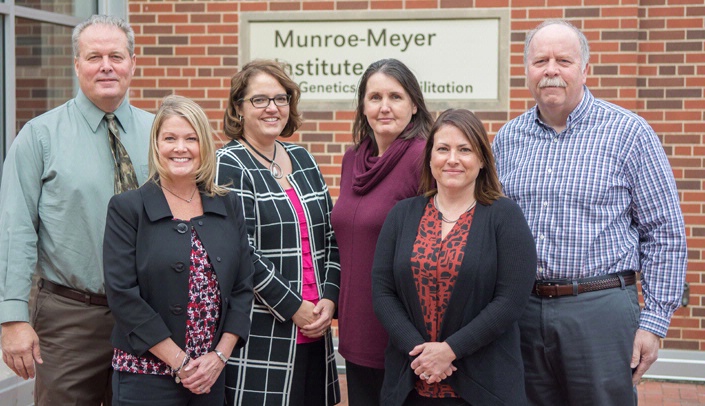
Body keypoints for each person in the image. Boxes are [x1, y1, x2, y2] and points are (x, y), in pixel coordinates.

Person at [492, 19, 688, 405]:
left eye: (563, 60)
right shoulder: (507, 139)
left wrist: (654, 321)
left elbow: (664, 231)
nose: (551, 70)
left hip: (600, 310)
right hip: (524, 311)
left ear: (585, 69)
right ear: (526, 71)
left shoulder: (629, 133)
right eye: (540, 61)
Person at [0, 15, 153, 405]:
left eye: (116, 56)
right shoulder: (39, 136)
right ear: (76, 64)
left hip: (150, 317)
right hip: (71, 318)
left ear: (132, 64)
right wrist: (13, 318)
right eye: (94, 56)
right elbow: (14, 229)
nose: (106, 65)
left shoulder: (160, 135)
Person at [372, 109, 537, 406]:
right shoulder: (402, 215)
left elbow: (511, 300)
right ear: (430, 158)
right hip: (412, 381)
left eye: (465, 150)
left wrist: (449, 351)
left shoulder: (505, 216)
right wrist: (422, 354)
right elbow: (383, 292)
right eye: (443, 149)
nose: (452, 159)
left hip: (484, 385)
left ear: (482, 159)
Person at [102, 95, 254, 405]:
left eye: (191, 138)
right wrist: (180, 362)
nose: (180, 148)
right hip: (145, 377)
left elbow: (242, 289)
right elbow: (121, 294)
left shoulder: (227, 204)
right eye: (169, 138)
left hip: (210, 376)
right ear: (156, 145)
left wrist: (219, 357)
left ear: (204, 146)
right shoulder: (128, 208)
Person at [216, 59, 341, 405]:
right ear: (239, 108)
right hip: (264, 334)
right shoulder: (230, 163)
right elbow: (241, 251)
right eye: (260, 99)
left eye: (281, 98)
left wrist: (329, 300)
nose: (272, 108)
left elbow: (332, 236)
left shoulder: (304, 160)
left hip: (317, 330)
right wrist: (294, 307)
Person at [330, 58, 433, 406]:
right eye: (375, 97)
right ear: (363, 105)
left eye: (396, 96)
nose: (384, 107)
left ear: (414, 104)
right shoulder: (352, 159)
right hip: (355, 326)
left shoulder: (425, 159)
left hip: (405, 333)